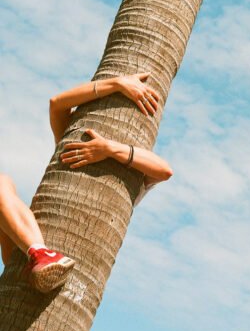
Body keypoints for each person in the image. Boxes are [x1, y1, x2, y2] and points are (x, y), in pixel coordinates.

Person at [0, 72, 173, 293]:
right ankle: (40, 253)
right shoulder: (72, 153)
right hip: (25, 249)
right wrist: (117, 84)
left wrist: (108, 149)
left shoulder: (131, 183)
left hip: (80, 253)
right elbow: (57, 104)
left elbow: (165, 170)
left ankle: (42, 255)